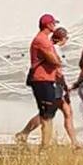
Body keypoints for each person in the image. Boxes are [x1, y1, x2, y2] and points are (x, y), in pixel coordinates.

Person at [15, 13, 64, 148]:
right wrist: (57, 60)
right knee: (47, 114)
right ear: (48, 25)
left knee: (48, 111)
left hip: (47, 78)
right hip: (42, 79)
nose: (55, 26)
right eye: (54, 23)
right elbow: (54, 60)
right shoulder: (41, 41)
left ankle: (24, 134)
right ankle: (45, 146)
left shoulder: (45, 40)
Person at [50, 27, 79, 147]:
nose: (67, 40)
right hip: (57, 85)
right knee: (48, 114)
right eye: (66, 38)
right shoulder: (55, 49)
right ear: (62, 38)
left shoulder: (56, 49)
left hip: (60, 85)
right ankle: (24, 132)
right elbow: (58, 68)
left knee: (68, 112)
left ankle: (74, 142)